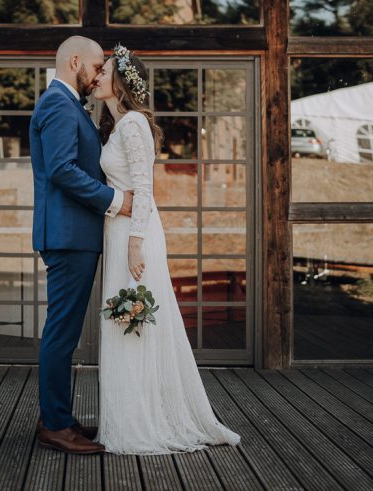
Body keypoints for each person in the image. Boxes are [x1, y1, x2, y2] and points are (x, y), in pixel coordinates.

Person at [93, 45, 241, 455]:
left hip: (133, 234)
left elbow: (144, 188)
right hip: (119, 230)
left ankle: (144, 421)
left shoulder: (133, 125)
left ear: (121, 81)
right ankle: (127, 414)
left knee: (132, 321)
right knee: (122, 322)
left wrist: (136, 244)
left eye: (103, 71)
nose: (97, 77)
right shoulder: (117, 125)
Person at [30, 36, 134, 455]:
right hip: (68, 236)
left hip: (74, 234)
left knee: (63, 330)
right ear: (75, 61)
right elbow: (61, 170)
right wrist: (115, 201)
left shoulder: (69, 104)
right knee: (61, 333)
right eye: (94, 67)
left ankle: (59, 416)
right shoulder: (58, 103)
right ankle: (55, 425)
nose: (96, 77)